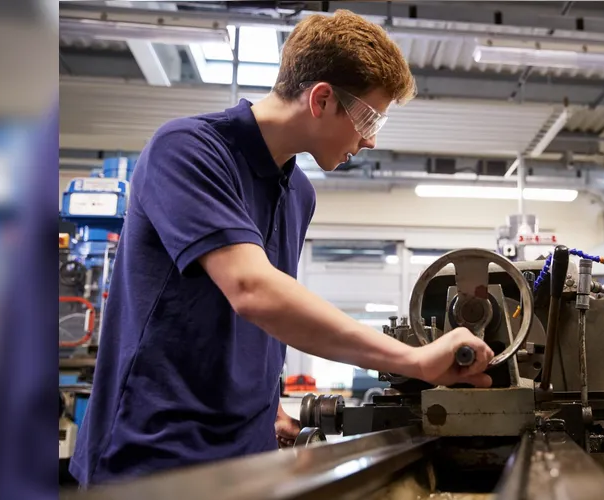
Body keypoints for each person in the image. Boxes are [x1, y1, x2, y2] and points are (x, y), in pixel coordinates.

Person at [69, 10, 494, 487]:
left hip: (245, 455)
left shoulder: (297, 194)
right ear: (322, 99)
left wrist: (266, 410)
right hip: (153, 455)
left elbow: (265, 323)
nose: (371, 139)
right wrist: (412, 358)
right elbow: (253, 290)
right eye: (368, 117)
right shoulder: (187, 150)